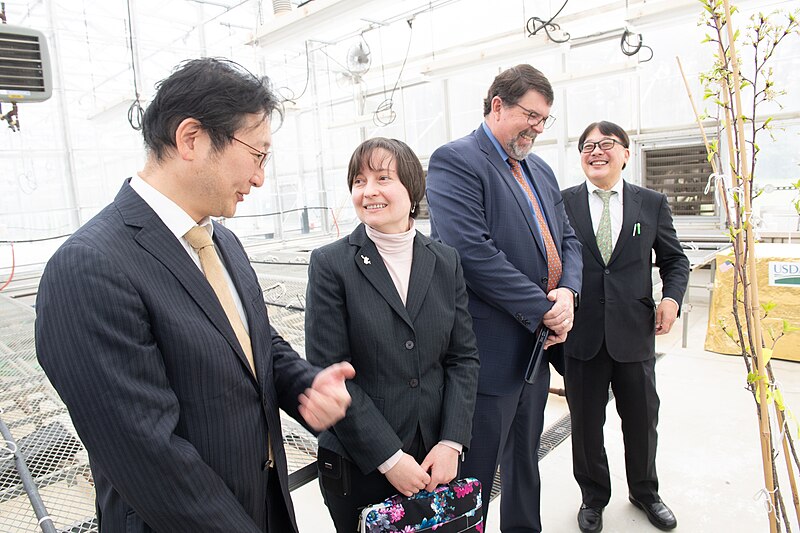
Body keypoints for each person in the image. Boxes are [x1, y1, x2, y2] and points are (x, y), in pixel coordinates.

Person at [34, 58, 355, 533]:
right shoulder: (90, 266)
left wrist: (304, 384)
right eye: (258, 154)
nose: (261, 177)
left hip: (261, 503)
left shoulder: (220, 241)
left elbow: (252, 341)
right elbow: (149, 455)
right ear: (191, 138)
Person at [426, 64, 583, 532]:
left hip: (537, 349)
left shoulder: (541, 170)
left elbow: (568, 239)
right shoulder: (456, 161)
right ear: (498, 105)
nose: (537, 127)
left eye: (544, 119)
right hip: (488, 354)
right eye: (530, 115)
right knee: (474, 477)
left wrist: (569, 293)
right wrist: (545, 310)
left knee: (523, 464)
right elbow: (472, 253)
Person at [304, 137, 480, 532]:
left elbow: (463, 357)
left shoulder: (444, 260)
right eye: (359, 181)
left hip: (434, 455)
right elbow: (330, 372)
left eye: (383, 178)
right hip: (361, 461)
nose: (369, 192)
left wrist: (452, 441)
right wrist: (389, 457)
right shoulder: (332, 264)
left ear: (412, 189)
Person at [561, 121, 689, 532]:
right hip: (582, 334)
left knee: (641, 419)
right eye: (587, 146)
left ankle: (645, 492)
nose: (596, 151)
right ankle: (593, 497)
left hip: (634, 331)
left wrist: (671, 298)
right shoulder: (561, 203)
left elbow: (674, 260)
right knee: (584, 425)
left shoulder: (650, 202)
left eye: (606, 144)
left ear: (626, 153)